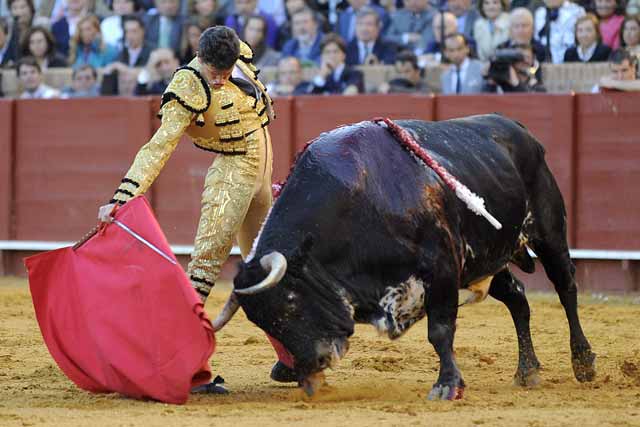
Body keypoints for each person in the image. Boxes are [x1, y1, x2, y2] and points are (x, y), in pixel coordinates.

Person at [98, 26, 295, 386]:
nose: (220, 79)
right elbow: (159, 147)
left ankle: (292, 359)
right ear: (199, 58)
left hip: (261, 178)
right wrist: (123, 196)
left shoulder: (241, 55)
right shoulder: (187, 86)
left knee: (267, 270)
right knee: (204, 268)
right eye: (213, 72)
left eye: (225, 71)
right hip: (231, 178)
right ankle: (181, 366)